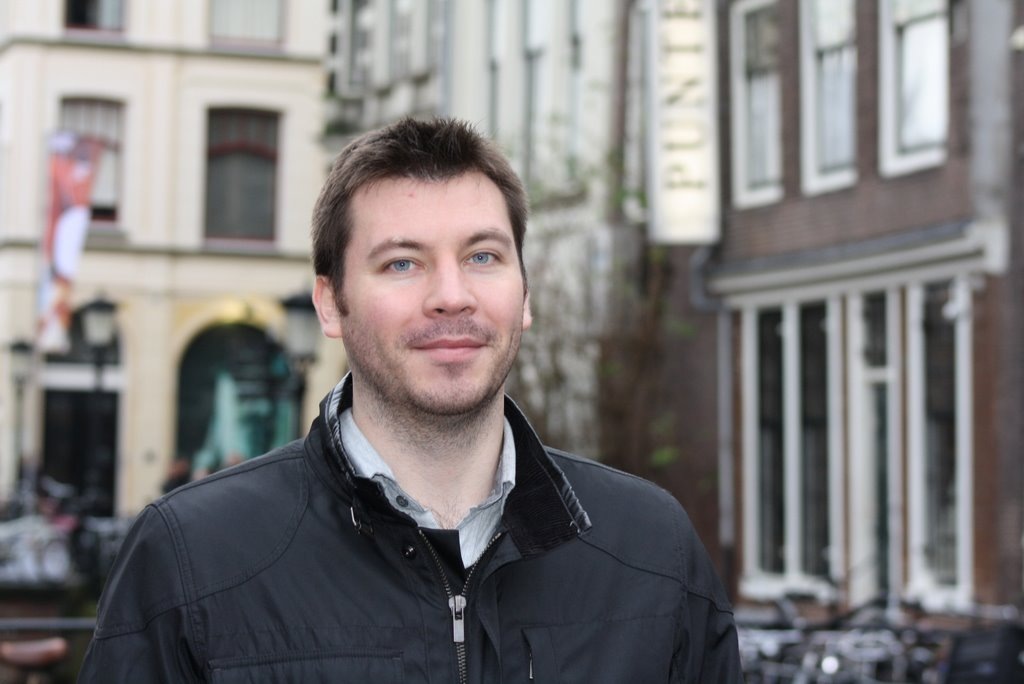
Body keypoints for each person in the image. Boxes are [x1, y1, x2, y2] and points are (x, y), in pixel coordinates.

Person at [78, 117, 741, 682]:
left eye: (483, 257)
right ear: (331, 303)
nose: (451, 296)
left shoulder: (652, 552)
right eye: (402, 263)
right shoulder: (191, 559)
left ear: (525, 293)